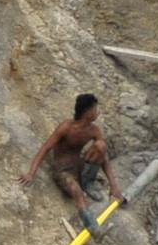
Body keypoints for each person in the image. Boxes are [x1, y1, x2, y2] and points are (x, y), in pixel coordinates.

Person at [26, 93, 116, 228]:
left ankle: (87, 182)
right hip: (63, 170)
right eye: (95, 109)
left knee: (101, 146)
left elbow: (104, 158)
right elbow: (45, 149)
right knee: (78, 194)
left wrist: (114, 185)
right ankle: (93, 227)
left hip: (78, 166)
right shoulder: (66, 127)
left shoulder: (93, 130)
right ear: (88, 112)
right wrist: (31, 173)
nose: (97, 112)